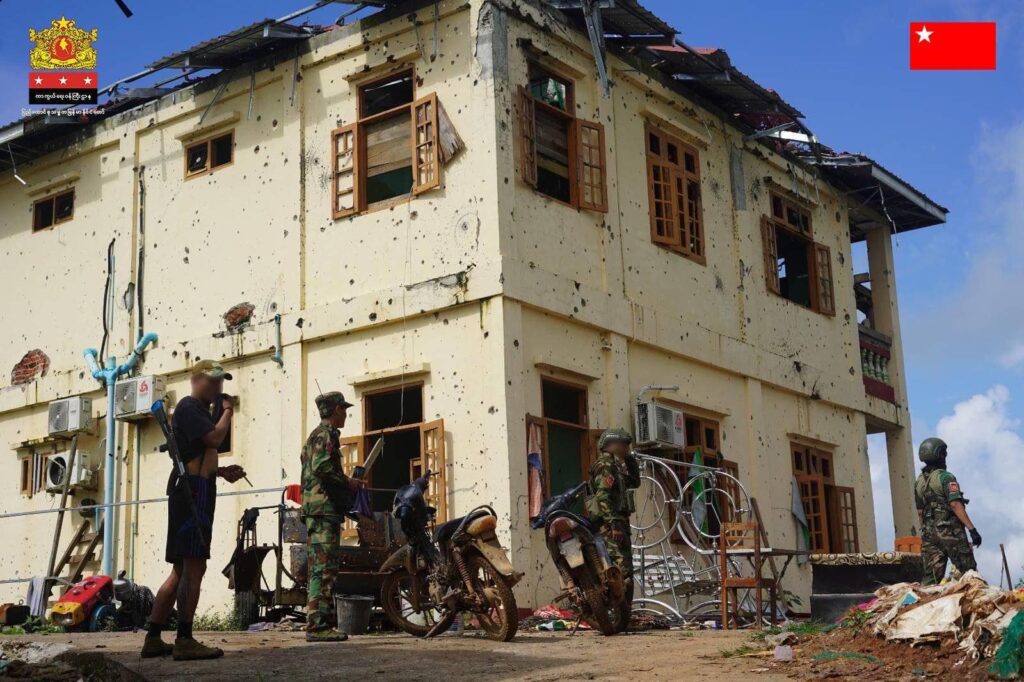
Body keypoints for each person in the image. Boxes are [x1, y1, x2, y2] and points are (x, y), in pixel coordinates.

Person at [143, 360, 247, 660]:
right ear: (196, 379)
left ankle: (153, 637)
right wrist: (228, 411)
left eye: (221, 381)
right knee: (195, 566)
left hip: (195, 488)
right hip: (193, 494)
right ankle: (185, 639)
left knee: (180, 569)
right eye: (212, 381)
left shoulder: (198, 411)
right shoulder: (189, 407)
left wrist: (220, 471)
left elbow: (198, 453)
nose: (217, 387)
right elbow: (214, 438)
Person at [300, 391, 365, 642]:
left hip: (319, 509)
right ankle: (317, 627)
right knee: (324, 568)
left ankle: (318, 623)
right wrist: (348, 482)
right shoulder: (324, 434)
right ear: (336, 410)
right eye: (344, 409)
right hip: (322, 510)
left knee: (322, 567)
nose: (346, 414)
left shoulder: (317, 436)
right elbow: (321, 467)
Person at [915, 437, 981, 585]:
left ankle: (922, 599)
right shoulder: (945, 477)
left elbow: (920, 512)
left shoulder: (919, 482)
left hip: (929, 534)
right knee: (969, 573)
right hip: (950, 531)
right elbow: (955, 504)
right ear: (940, 455)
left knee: (930, 578)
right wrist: (972, 530)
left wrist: (926, 533)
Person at [586, 428, 640, 599]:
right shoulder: (606, 465)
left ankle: (624, 609)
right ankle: (621, 609)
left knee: (625, 568)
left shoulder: (614, 466)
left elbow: (634, 481)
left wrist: (629, 458)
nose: (626, 448)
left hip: (618, 523)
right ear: (612, 444)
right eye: (624, 445)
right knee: (621, 569)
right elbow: (603, 496)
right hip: (611, 526)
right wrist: (613, 525)